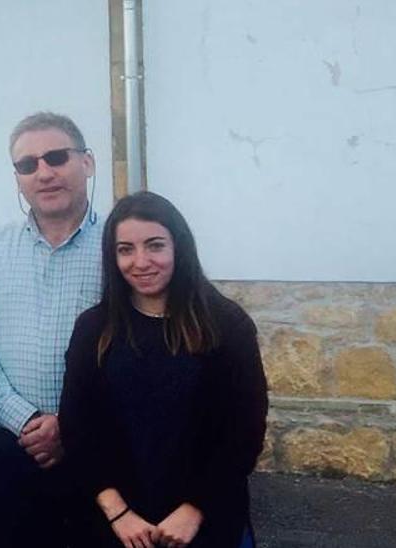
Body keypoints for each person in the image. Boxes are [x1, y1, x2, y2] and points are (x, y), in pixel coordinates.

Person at [60, 191, 268, 548]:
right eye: (125, 249)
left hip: (207, 526)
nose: (140, 261)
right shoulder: (94, 329)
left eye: (155, 245)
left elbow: (243, 430)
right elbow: (78, 427)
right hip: (115, 528)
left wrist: (195, 508)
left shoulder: (227, 325)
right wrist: (118, 512)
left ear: (179, 246)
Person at [0, 112, 103, 548]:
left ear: (87, 163)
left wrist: (70, 426)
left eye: (57, 157)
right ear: (17, 177)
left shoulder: (121, 247)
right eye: (28, 164)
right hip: (16, 451)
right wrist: (29, 420)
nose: (44, 172)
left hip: (104, 450)